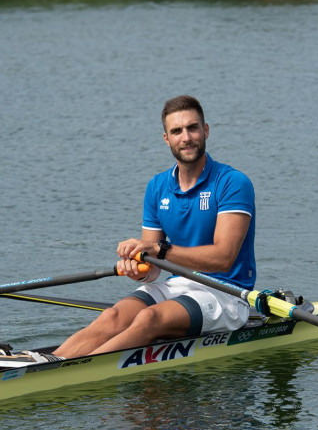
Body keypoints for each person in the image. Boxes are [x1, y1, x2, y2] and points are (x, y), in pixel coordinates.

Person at [46, 95, 256, 359]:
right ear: (166, 139)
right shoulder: (157, 187)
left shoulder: (233, 182)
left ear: (206, 130)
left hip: (226, 293)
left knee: (148, 319)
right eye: (176, 131)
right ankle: (51, 362)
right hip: (178, 285)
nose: (186, 137)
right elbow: (154, 268)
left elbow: (223, 259)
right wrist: (138, 269)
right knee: (112, 316)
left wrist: (159, 250)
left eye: (192, 128)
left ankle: (77, 370)